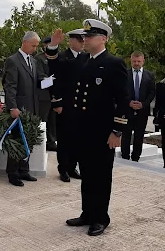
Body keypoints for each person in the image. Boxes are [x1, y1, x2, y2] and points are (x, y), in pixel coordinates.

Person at [45, 19, 129, 237]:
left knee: (101, 175)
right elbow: (57, 69)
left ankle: (100, 218)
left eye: (90, 37)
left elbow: (123, 99)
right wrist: (53, 47)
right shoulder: (82, 60)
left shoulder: (114, 63)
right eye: (85, 37)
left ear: (103, 39)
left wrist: (117, 131)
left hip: (103, 131)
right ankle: (87, 213)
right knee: (87, 173)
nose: (86, 40)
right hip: (83, 130)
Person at [2, 31, 45, 187]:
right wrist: (12, 106)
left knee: (28, 140)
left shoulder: (33, 61)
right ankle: (12, 173)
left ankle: (24, 170)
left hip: (32, 109)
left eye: (36, 46)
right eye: (33, 45)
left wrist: (49, 82)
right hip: (19, 109)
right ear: (25, 42)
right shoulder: (13, 61)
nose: (35, 49)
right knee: (17, 141)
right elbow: (10, 87)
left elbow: (37, 83)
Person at [54, 29, 85, 182]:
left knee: (77, 139)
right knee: (64, 138)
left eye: (84, 40)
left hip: (80, 106)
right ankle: (63, 169)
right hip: (65, 105)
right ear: (71, 41)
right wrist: (57, 102)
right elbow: (55, 81)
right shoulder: (61, 57)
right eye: (80, 40)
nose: (83, 44)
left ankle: (72, 167)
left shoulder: (86, 58)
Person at [122, 51, 156, 161]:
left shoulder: (149, 75)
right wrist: (129, 102)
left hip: (142, 111)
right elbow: (121, 91)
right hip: (127, 110)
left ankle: (136, 157)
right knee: (126, 135)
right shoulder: (125, 74)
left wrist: (143, 104)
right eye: (134, 61)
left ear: (143, 61)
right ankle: (125, 157)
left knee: (139, 135)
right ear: (131, 61)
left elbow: (152, 92)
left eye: (139, 61)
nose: (136, 63)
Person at [34, 36, 58, 151]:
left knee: (53, 120)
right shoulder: (39, 58)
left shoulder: (58, 56)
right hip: (44, 94)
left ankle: (52, 141)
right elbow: (39, 76)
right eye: (47, 44)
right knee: (43, 119)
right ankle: (41, 141)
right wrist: (53, 80)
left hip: (55, 95)